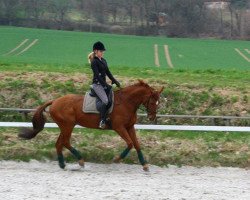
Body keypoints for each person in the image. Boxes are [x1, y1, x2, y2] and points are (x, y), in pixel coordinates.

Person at [90, 41, 120, 129]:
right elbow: (97, 76)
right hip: (97, 85)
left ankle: (107, 117)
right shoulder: (94, 62)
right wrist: (106, 85)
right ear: (95, 51)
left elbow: (108, 72)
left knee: (111, 100)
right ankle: (102, 121)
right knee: (106, 101)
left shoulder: (103, 60)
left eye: (103, 51)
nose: (102, 53)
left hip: (103, 84)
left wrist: (115, 81)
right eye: (101, 51)